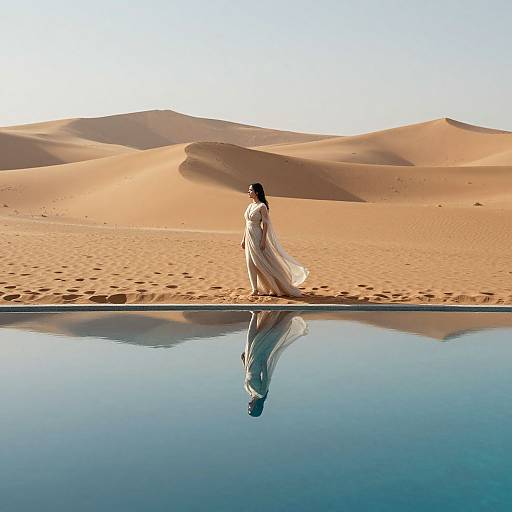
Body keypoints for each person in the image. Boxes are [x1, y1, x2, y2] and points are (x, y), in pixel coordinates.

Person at [240, 183, 309, 297]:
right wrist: (243, 239)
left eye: (250, 190)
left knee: (261, 263)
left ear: (257, 192)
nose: (249, 192)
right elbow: (247, 224)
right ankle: (254, 289)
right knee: (250, 262)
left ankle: (274, 286)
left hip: (257, 236)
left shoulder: (262, 206)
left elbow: (265, 224)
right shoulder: (250, 206)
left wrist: (263, 240)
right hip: (249, 236)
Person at [241, 310, 309, 417]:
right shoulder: (261, 393)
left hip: (250, 361)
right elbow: (266, 378)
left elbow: (247, 374)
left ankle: (254, 313)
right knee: (270, 334)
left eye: (248, 408)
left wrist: (244, 362)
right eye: (250, 408)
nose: (249, 406)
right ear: (256, 407)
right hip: (259, 360)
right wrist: (264, 363)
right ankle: (296, 311)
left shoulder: (250, 392)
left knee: (252, 337)